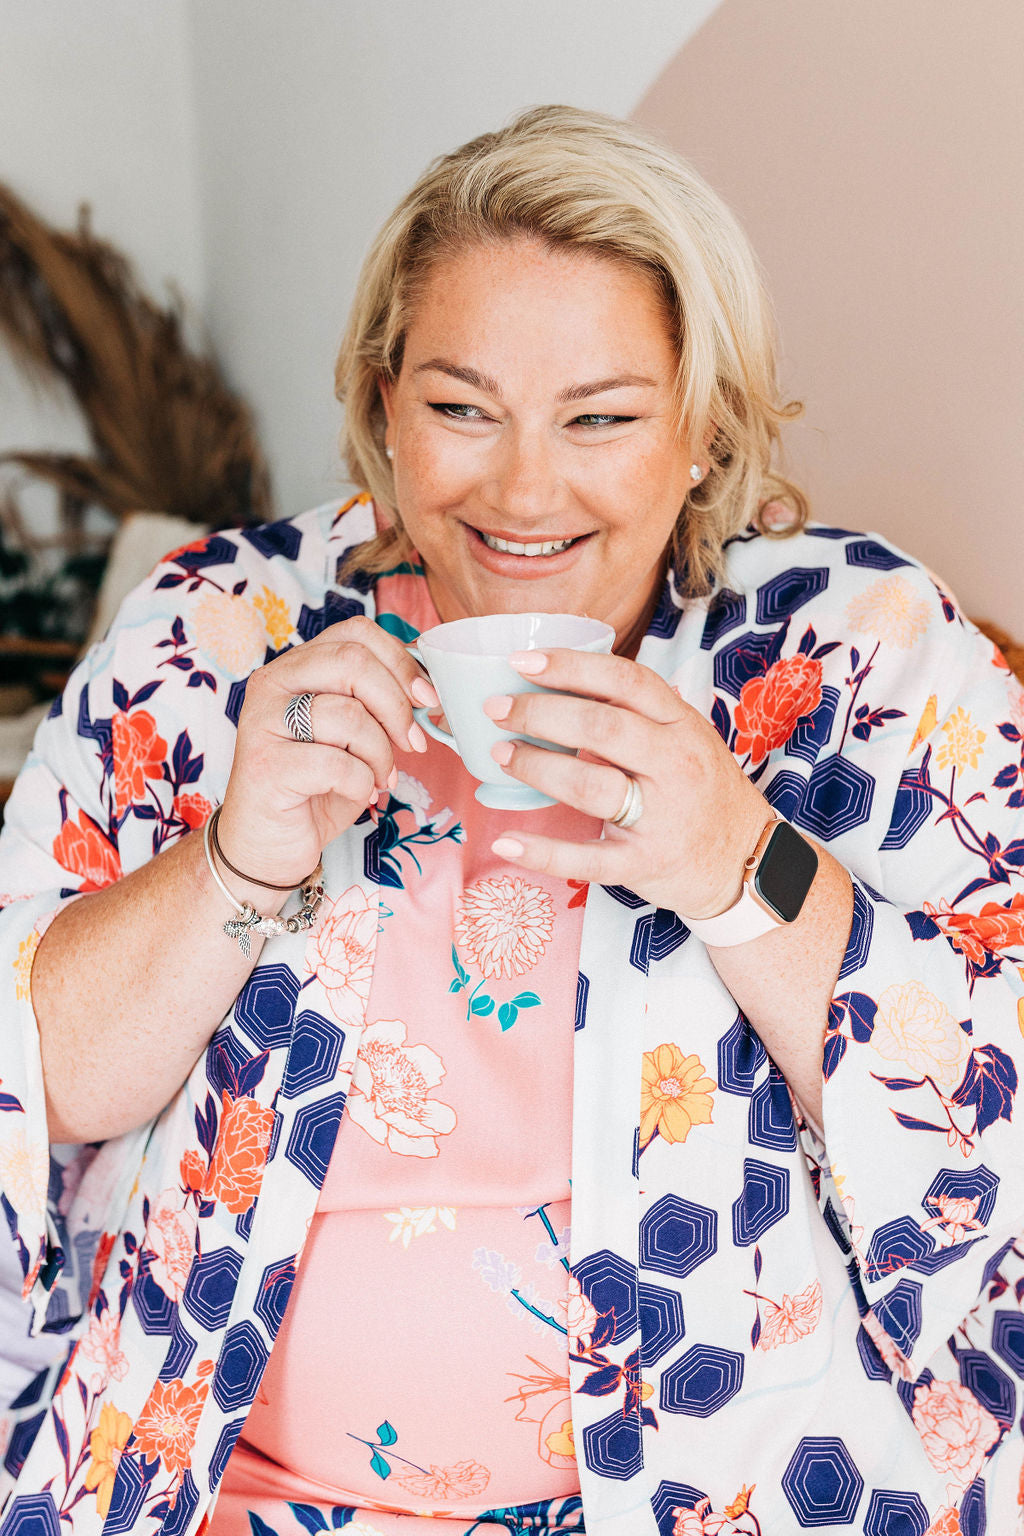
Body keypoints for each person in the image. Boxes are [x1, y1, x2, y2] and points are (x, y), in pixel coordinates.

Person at [0, 104, 1022, 1536]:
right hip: (212, 1491)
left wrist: (738, 862)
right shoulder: (216, 636)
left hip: (720, 1501)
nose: (523, 492)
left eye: (601, 418)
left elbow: (992, 1115)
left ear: (702, 421)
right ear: (379, 398)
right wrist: (231, 864)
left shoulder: (862, 660)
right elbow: (28, 1079)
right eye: (461, 409)